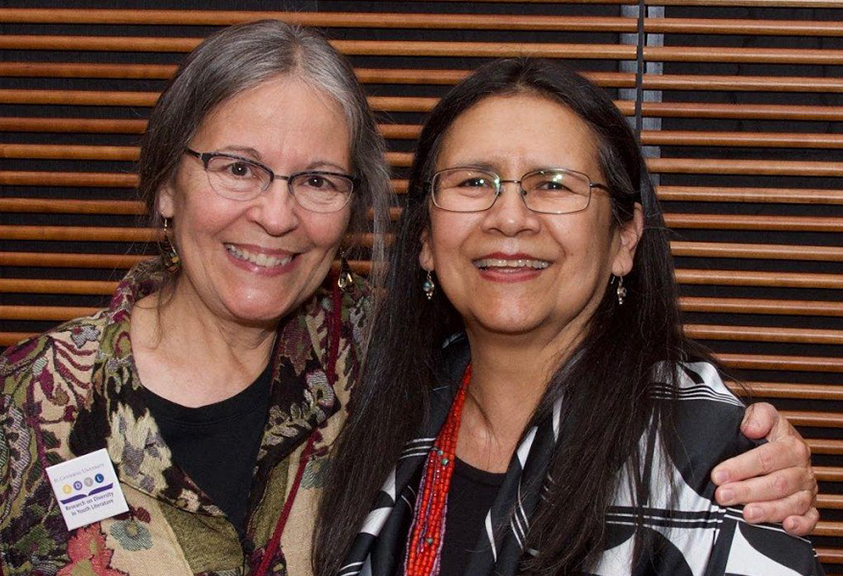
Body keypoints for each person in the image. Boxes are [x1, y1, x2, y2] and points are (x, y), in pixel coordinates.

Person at [0, 22, 815, 576]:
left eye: (318, 181)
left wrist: (738, 456)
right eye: (236, 168)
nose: (274, 213)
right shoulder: (17, 417)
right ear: (165, 185)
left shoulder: (386, 367)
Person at [316, 58, 823, 576]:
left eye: (553, 184)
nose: (510, 217)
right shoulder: (369, 406)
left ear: (624, 239)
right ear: (425, 238)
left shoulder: (712, 461)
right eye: (473, 181)